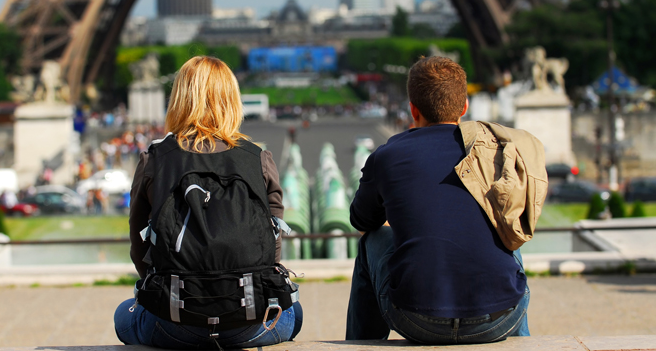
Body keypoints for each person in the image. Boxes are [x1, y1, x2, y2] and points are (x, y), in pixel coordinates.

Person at [346, 56, 547, 345]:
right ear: (464, 106)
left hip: (416, 318)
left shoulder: (387, 156)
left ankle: (361, 344)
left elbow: (362, 221)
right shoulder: (492, 151)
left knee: (372, 243)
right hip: (501, 319)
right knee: (508, 237)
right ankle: (522, 342)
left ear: (413, 109)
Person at [114, 56, 303, 349]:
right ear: (232, 100)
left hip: (174, 322)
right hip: (250, 321)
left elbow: (139, 249)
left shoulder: (154, 160)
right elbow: (272, 249)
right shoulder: (259, 159)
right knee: (295, 312)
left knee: (122, 314)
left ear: (179, 99)